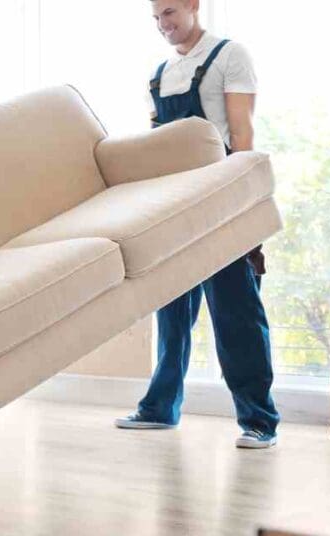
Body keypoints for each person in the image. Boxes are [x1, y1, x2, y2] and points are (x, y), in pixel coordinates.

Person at [114, 0, 280, 449]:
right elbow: (159, 147)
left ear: (193, 5)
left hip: (222, 199)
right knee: (171, 311)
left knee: (235, 311)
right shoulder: (160, 73)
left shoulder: (229, 55)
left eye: (169, 13)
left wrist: (243, 203)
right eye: (155, 19)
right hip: (174, 203)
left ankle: (259, 420)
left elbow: (242, 134)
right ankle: (160, 408)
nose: (163, 26)